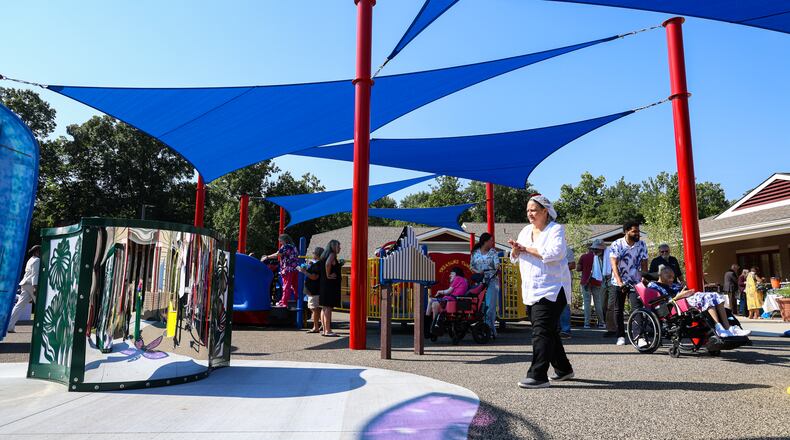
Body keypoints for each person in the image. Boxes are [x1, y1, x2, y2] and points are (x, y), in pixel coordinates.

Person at [509, 195, 573, 389]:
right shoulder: (525, 230)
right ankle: (563, 369)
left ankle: (538, 375)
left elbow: (556, 254)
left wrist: (526, 249)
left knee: (541, 331)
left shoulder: (556, 229)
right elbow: (515, 257)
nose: (530, 214)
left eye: (534, 210)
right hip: (531, 289)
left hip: (553, 288)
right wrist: (516, 250)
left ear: (545, 211)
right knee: (549, 331)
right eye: (528, 210)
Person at [648, 266, 750, 337]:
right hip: (674, 304)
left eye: (673, 277)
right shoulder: (653, 285)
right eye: (669, 276)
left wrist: (687, 292)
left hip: (686, 300)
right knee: (707, 297)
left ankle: (728, 328)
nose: (671, 279)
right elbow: (660, 303)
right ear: (661, 275)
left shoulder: (674, 285)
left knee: (714, 295)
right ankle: (719, 327)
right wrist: (678, 296)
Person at [609, 220, 648, 346]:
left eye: (638, 231)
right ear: (626, 231)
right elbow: (614, 265)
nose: (637, 234)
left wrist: (644, 277)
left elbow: (644, 263)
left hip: (635, 281)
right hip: (618, 282)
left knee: (637, 308)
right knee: (618, 309)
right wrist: (620, 283)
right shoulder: (616, 244)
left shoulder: (641, 244)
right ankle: (620, 335)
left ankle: (638, 336)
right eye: (634, 231)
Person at [470, 233, 500, 339]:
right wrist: (479, 272)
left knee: (490, 307)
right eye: (491, 240)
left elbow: (497, 265)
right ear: (485, 241)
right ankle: (482, 327)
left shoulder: (493, 252)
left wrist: (495, 268)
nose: (492, 242)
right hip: (480, 281)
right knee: (479, 306)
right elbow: (471, 266)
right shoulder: (475, 253)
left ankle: (490, 328)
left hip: (492, 281)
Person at [7, 245, 41, 333]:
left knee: (19, 306)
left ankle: (9, 326)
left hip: (25, 284)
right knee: (41, 305)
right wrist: (35, 287)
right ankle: (43, 327)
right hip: (31, 285)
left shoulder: (30, 259)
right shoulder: (37, 260)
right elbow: (35, 274)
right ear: (36, 252)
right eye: (39, 251)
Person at [577, 239, 607, 329]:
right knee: (597, 302)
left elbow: (578, 268)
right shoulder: (600, 257)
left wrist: (584, 268)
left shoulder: (584, 256)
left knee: (587, 303)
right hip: (597, 281)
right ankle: (601, 322)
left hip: (585, 281)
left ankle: (587, 323)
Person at [265, 234, 299, 307]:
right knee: (295, 286)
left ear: (284, 240)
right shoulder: (293, 246)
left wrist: (267, 257)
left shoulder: (285, 246)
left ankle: (284, 302)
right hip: (295, 269)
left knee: (286, 286)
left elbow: (278, 254)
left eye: (280, 240)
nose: (280, 242)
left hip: (287, 269)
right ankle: (298, 300)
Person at [297, 246, 324, 334]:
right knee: (316, 308)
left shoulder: (317, 265)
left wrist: (304, 271)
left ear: (317, 254)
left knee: (314, 308)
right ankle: (322, 324)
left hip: (314, 290)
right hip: (314, 289)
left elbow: (314, 276)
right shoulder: (318, 264)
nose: (312, 254)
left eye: (313, 253)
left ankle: (316, 327)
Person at [319, 240, 342, 337]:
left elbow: (327, 264)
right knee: (328, 307)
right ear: (333, 246)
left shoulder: (324, 255)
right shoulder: (332, 254)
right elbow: (328, 264)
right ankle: (328, 330)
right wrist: (328, 275)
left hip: (324, 284)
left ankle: (325, 329)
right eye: (338, 246)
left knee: (324, 307)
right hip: (330, 284)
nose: (340, 248)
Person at [558, 247, 575, 338]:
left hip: (564, 282)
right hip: (552, 282)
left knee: (564, 305)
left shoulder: (567, 250)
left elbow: (573, 265)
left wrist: (559, 268)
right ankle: (557, 329)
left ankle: (565, 330)